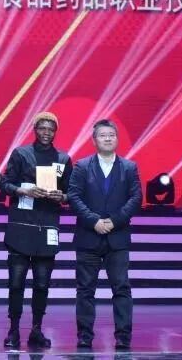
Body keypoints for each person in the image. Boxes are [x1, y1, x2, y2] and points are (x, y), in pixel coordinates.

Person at [67, 118, 142, 350]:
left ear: (116, 139)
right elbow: (74, 197)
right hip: (88, 237)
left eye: (111, 135)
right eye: (103, 135)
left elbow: (136, 198)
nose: (108, 138)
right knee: (85, 290)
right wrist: (94, 221)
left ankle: (123, 337)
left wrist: (114, 221)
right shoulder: (81, 166)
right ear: (94, 140)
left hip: (117, 238)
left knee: (121, 288)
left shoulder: (129, 167)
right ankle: (84, 336)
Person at [1, 111, 72, 349]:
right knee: (16, 283)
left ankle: (36, 330)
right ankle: (13, 330)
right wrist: (24, 190)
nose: (46, 133)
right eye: (42, 128)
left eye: (51, 129)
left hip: (48, 224)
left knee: (42, 284)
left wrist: (61, 196)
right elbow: (5, 184)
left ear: (56, 132)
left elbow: (71, 193)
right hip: (21, 226)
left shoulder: (63, 159)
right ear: (35, 129)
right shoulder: (21, 154)